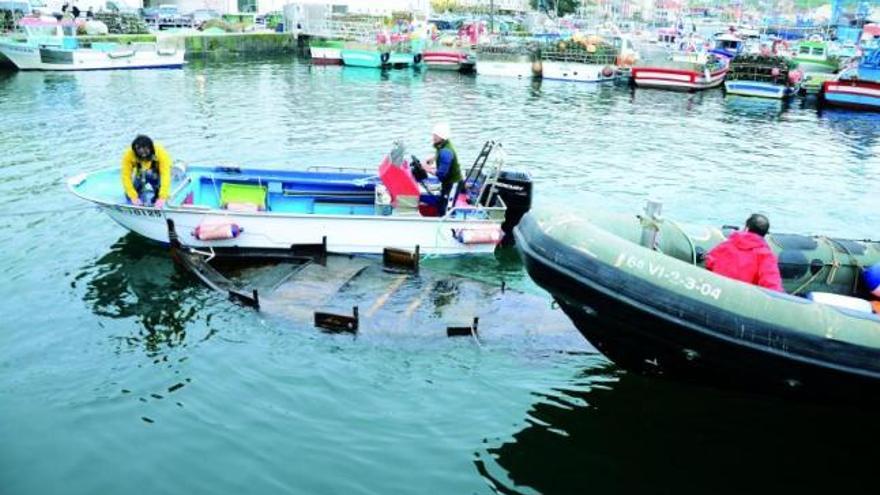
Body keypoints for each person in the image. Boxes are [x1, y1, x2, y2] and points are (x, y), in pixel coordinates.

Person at [705, 213, 783, 291]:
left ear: (746, 228)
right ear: (765, 233)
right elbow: (772, 284)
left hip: (717, 290)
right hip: (740, 297)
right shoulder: (766, 256)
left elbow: (709, 262)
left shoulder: (727, 244)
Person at [121, 135, 173, 209]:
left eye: (146, 152)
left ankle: (157, 193)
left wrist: (162, 197)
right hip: (140, 174)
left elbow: (165, 175)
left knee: (158, 196)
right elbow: (125, 176)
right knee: (128, 196)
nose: (143, 156)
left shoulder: (161, 153)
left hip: (156, 175)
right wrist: (133, 197)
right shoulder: (128, 155)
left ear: (151, 149)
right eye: (140, 153)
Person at [424, 122, 463, 215]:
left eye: (436, 135)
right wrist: (433, 158)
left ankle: (448, 224)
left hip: (453, 183)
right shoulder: (443, 145)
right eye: (433, 134)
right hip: (446, 183)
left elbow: (441, 173)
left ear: (442, 137)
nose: (433, 137)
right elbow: (439, 153)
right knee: (441, 203)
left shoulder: (446, 152)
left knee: (446, 208)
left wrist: (427, 169)